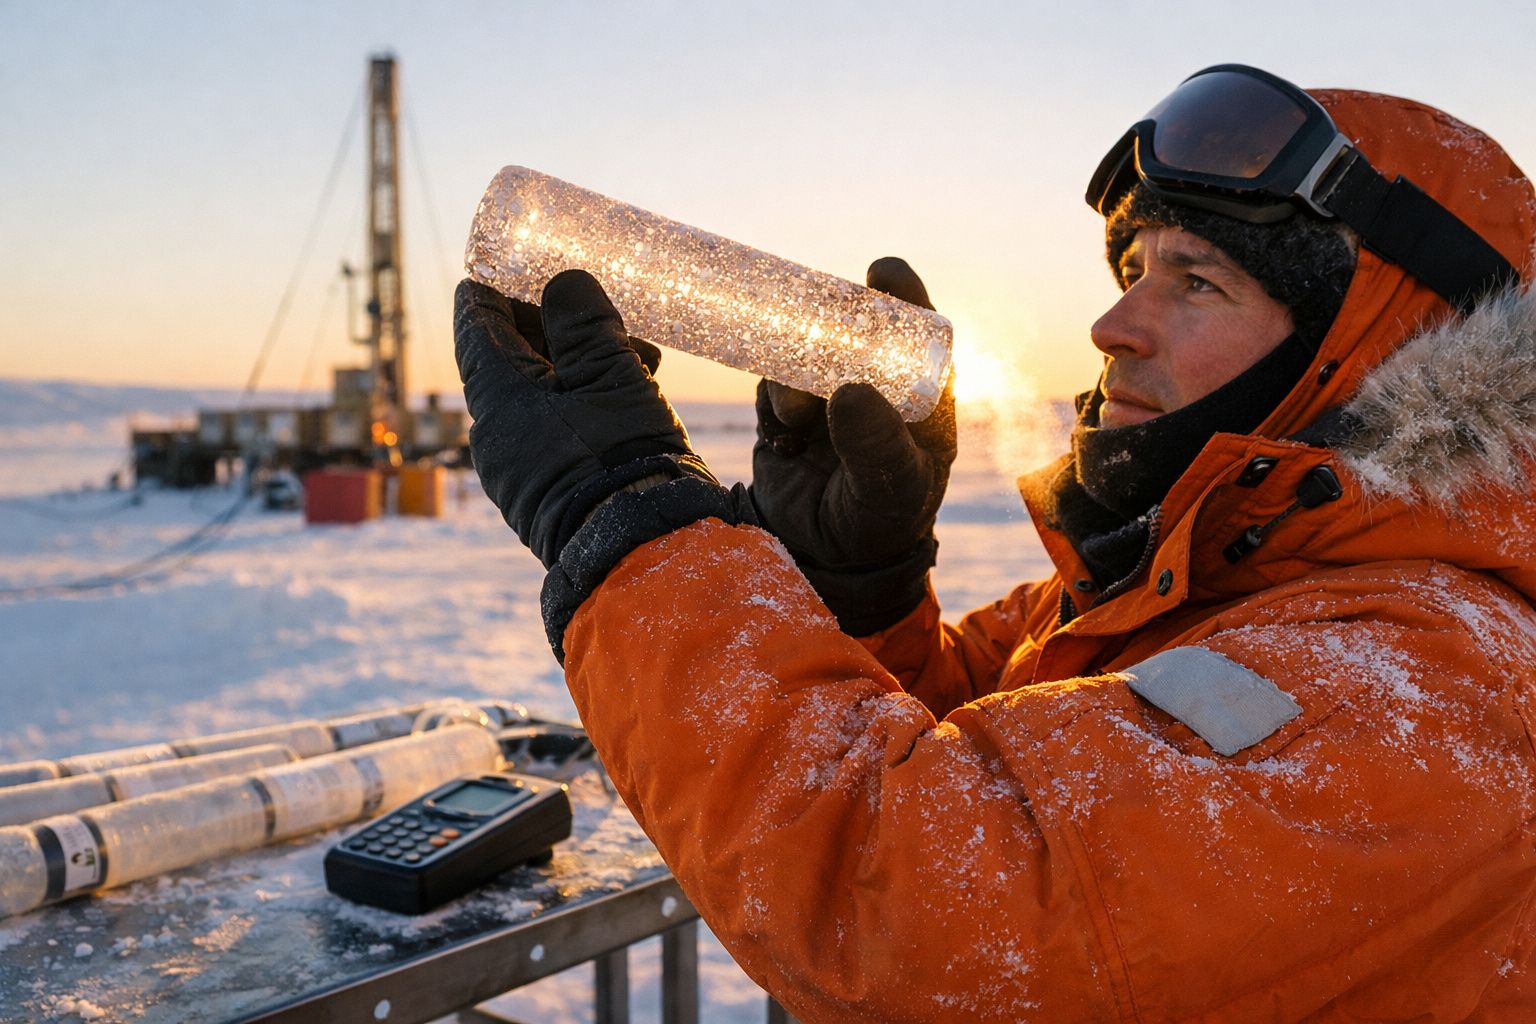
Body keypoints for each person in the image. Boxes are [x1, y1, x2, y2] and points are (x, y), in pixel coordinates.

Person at [455, 65, 1536, 1022]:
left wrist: (626, 517)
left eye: (1197, 279)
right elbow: (966, 749)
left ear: (1379, 352)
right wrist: (858, 590)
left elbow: (925, 921)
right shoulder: (1177, 592)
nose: (1115, 325)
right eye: (1135, 270)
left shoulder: (1438, 684)